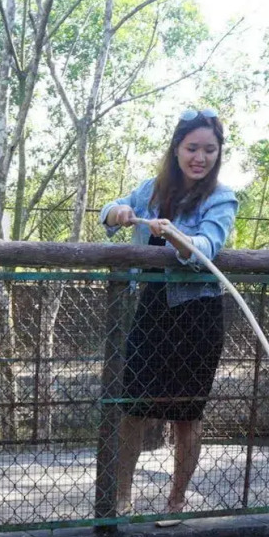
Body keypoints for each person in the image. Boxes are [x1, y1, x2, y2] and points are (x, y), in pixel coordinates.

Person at [100, 107, 239, 516]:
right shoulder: (152, 189)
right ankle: (121, 497)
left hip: (198, 315)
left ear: (218, 154)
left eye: (209, 150)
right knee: (134, 408)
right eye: (192, 147)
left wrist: (178, 236)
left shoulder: (222, 197)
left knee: (186, 414)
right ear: (176, 148)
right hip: (152, 311)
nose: (200, 157)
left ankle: (176, 501)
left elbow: (206, 248)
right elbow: (110, 212)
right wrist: (117, 212)